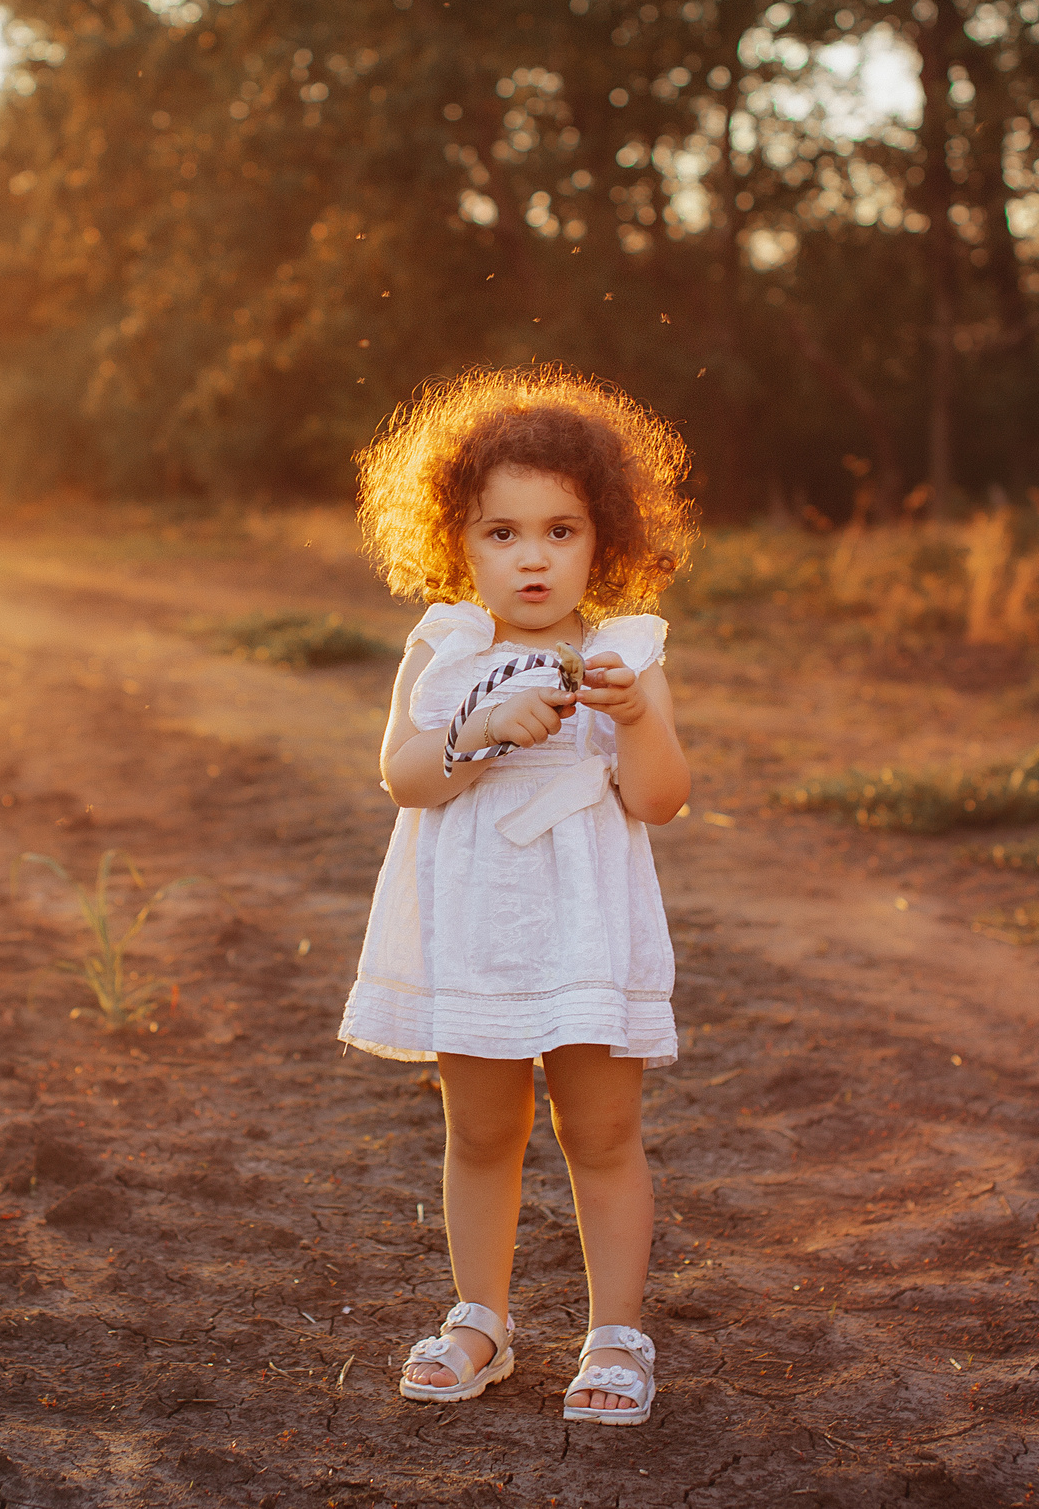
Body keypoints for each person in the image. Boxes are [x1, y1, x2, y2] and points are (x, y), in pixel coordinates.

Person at [339, 366, 696, 1426]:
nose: (531, 556)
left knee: (602, 1130)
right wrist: (479, 732)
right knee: (482, 1132)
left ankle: (615, 1334)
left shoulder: (621, 654)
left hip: (585, 924)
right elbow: (403, 778)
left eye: (559, 530)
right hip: (473, 926)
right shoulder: (447, 651)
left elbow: (662, 800)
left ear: (604, 540)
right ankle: (479, 1318)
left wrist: (632, 720)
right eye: (501, 532)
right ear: (457, 541)